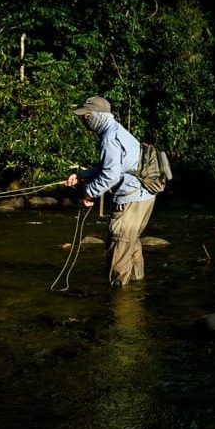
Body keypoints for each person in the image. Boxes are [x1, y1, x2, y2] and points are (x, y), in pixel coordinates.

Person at [64, 96, 156, 288]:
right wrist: (81, 176)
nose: (84, 121)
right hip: (144, 196)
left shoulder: (109, 138)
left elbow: (110, 176)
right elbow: (109, 166)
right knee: (130, 243)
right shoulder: (117, 130)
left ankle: (120, 303)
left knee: (119, 247)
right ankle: (137, 291)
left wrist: (89, 192)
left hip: (131, 199)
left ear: (98, 115)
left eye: (87, 116)